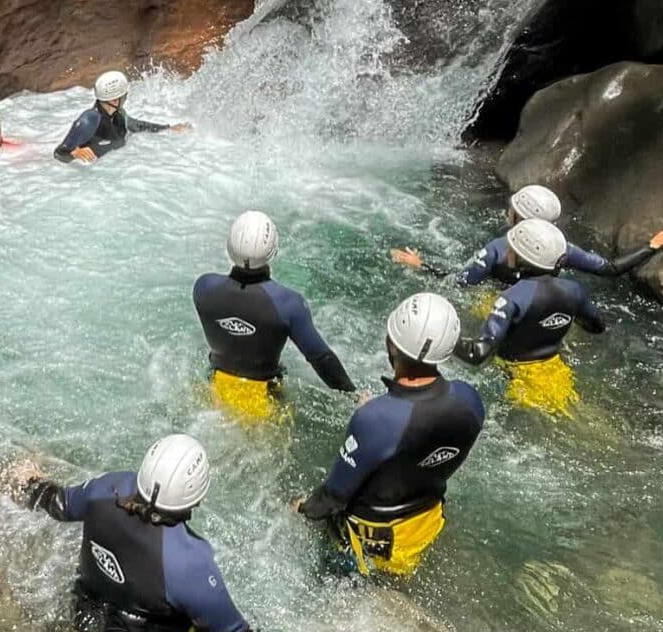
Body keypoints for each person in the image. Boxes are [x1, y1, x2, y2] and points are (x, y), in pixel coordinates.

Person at [18, 435, 297, 632]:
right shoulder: (189, 561)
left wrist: (31, 481)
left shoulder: (105, 489)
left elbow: (58, 504)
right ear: (197, 495)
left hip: (85, 623)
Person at [298, 293, 483, 577]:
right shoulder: (470, 401)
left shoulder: (376, 419)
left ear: (390, 344)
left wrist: (299, 509)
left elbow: (332, 498)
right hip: (425, 528)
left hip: (370, 545)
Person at [193, 210, 356, 422]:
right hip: (266, 395)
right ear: (273, 250)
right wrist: (353, 395)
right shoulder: (288, 304)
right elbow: (320, 358)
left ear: (229, 246)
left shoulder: (204, 288)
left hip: (215, 384)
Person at [391, 183, 663, 286]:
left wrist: (422, 266)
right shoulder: (563, 248)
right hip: (549, 299)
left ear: (516, 218)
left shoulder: (497, 249)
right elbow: (610, 269)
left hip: (503, 302)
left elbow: (458, 281)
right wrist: (653, 244)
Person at [454, 220, 605, 416]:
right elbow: (596, 326)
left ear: (520, 257)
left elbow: (478, 354)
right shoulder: (574, 290)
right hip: (556, 371)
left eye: (511, 248)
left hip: (517, 376)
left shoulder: (513, 298)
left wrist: (443, 340)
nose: (507, 250)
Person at [55, 71, 190, 163]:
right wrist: (75, 154)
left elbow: (137, 126)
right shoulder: (89, 120)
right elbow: (59, 153)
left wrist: (169, 128)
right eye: (124, 95)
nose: (126, 97)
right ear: (114, 100)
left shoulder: (118, 115)